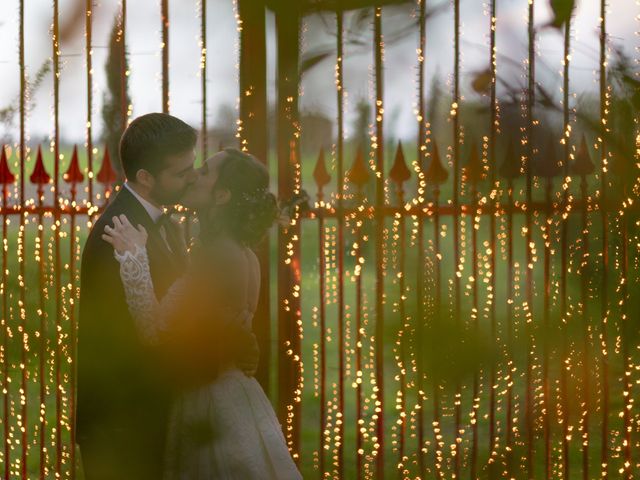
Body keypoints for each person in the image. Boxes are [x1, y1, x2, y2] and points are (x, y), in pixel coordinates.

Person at [76, 114, 258, 480]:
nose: (192, 177)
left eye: (195, 168)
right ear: (146, 177)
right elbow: (139, 340)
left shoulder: (168, 225)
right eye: (182, 171)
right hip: (124, 423)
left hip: (159, 414)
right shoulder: (119, 234)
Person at [102, 148, 302, 479]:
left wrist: (134, 258)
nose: (194, 175)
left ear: (221, 195)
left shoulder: (217, 256)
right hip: (238, 396)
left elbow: (155, 331)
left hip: (210, 404)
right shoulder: (240, 251)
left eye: (205, 171)